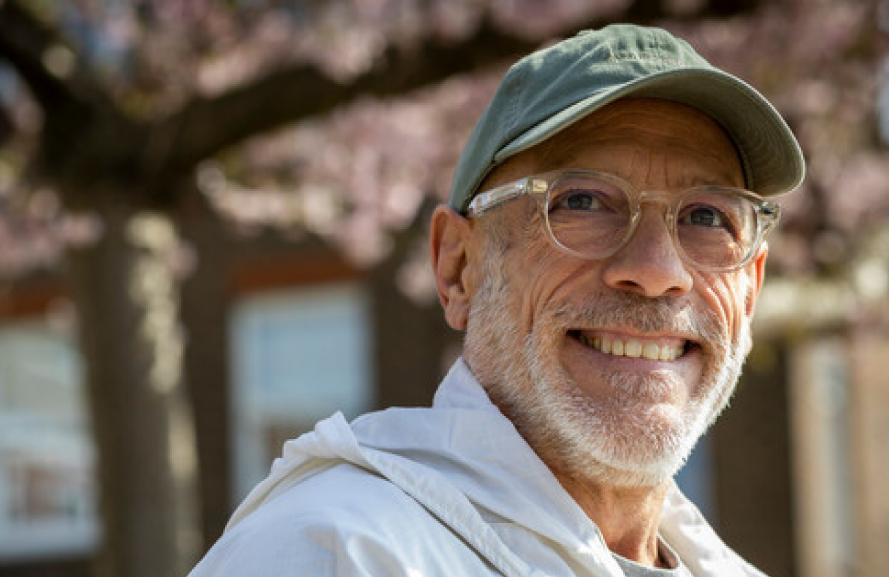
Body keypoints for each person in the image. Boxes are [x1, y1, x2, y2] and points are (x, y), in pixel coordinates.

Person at [188, 23, 804, 577]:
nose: (657, 271)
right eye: (581, 201)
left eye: (706, 216)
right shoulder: (341, 551)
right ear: (459, 268)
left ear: (750, 290)